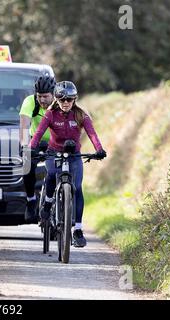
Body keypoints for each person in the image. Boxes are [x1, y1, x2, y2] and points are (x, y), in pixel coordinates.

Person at [29, 81, 107, 247]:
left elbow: (92, 134)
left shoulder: (81, 115)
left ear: (74, 99)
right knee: (50, 174)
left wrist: (99, 149)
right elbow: (38, 133)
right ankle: (48, 203)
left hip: (74, 156)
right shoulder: (50, 115)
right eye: (61, 99)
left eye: (69, 99)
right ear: (56, 99)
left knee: (77, 188)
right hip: (54, 152)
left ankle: (78, 229)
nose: (65, 102)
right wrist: (31, 148)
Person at [19, 74, 56, 223]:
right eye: (39, 96)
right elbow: (23, 127)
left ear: (53, 94)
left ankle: (65, 204)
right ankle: (31, 200)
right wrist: (24, 146)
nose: (42, 100)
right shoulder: (30, 102)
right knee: (27, 165)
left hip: (56, 142)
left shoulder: (61, 103)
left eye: (45, 96)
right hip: (37, 141)